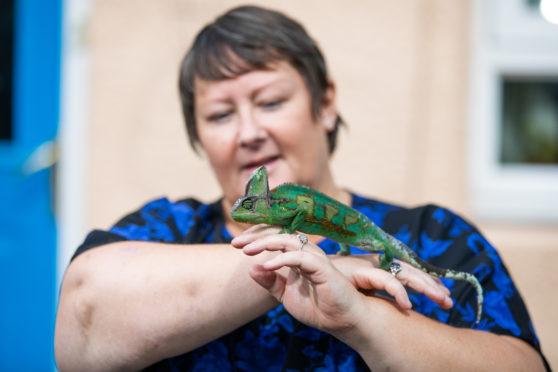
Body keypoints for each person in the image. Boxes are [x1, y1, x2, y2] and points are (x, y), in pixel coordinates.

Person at [54, 5, 550, 371]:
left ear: (325, 103)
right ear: (198, 137)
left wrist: (367, 320)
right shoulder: (168, 228)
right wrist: (298, 260)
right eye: (221, 114)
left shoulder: (434, 233)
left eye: (270, 101)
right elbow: (82, 323)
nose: (249, 132)